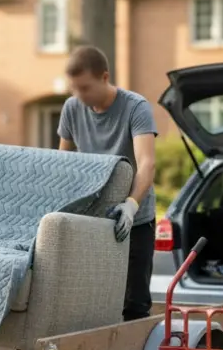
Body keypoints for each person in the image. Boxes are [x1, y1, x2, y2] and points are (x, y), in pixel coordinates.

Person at [56, 45, 158, 321]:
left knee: (134, 305)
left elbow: (146, 163)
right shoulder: (72, 108)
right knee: (95, 302)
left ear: (105, 77)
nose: (79, 96)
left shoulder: (136, 107)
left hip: (134, 219)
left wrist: (131, 205)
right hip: (93, 221)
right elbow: (63, 163)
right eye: (74, 89)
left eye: (85, 88)